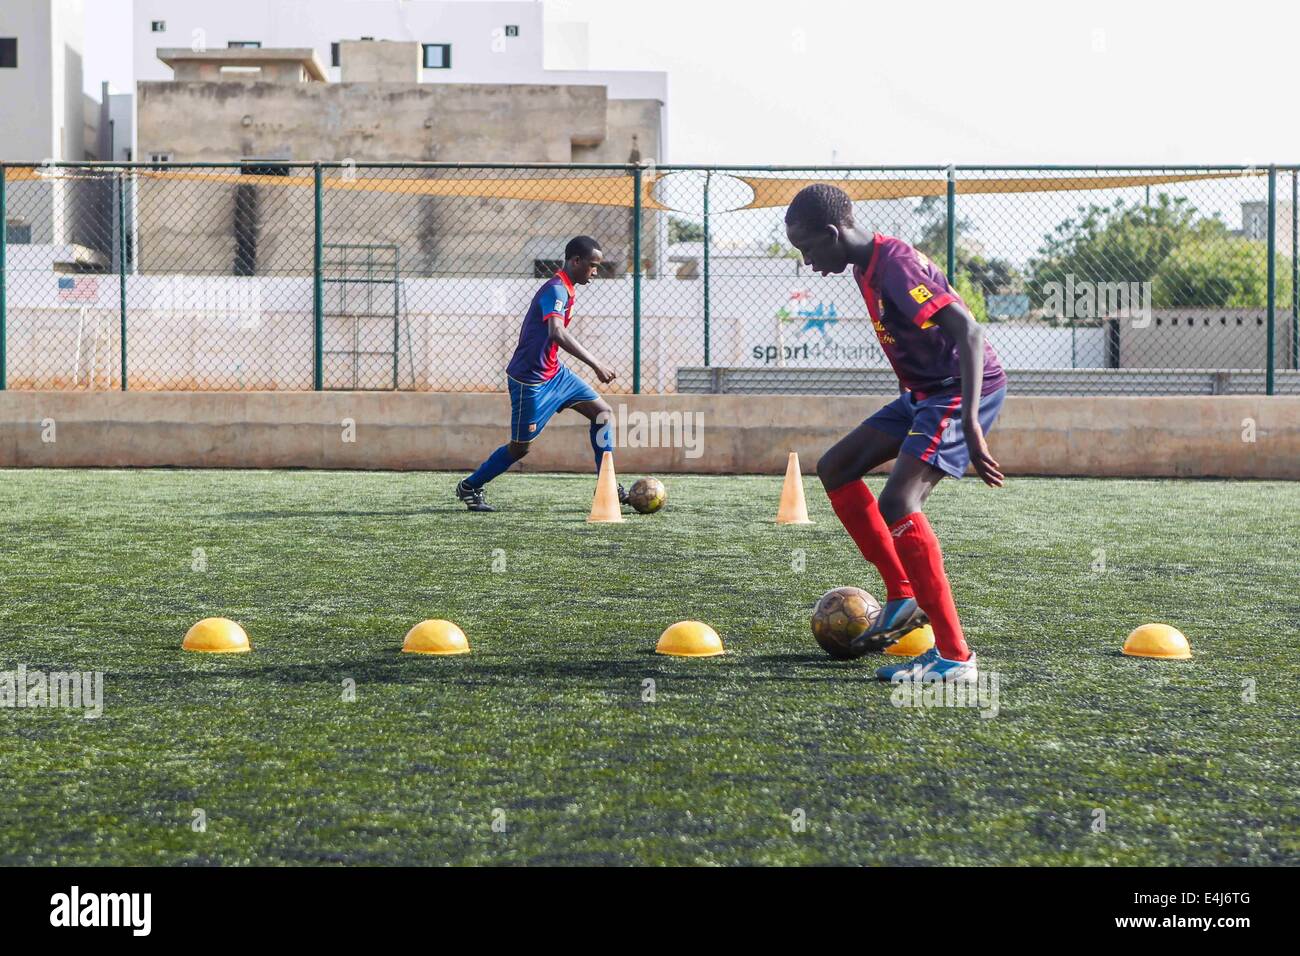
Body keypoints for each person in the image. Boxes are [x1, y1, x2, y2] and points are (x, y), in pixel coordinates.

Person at [784, 184, 1007, 683]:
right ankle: (903, 594)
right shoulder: (866, 265)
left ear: (830, 233)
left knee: (899, 503)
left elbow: (968, 332)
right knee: (836, 467)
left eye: (808, 249)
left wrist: (970, 420)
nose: (807, 261)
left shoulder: (896, 265)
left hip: (956, 390)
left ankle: (955, 658)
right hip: (924, 393)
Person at [456, 236, 626, 513]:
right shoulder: (556, 290)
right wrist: (596, 364)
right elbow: (556, 332)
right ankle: (470, 486)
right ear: (576, 261)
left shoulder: (568, 289)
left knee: (603, 414)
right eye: (592, 265)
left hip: (556, 374)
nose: (595, 271)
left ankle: (607, 486)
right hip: (530, 382)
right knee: (520, 449)